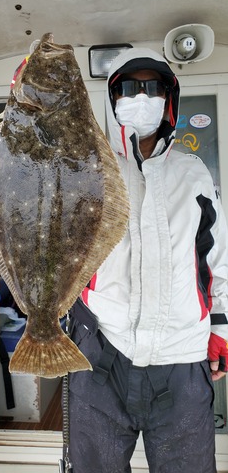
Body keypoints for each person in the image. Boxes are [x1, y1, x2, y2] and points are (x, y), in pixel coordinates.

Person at [67, 47, 228, 473]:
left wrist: (220, 329)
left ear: (169, 98)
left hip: (182, 359)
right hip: (103, 351)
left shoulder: (194, 172)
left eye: (153, 86)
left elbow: (215, 258)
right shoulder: (88, 170)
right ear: (112, 97)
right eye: (130, 87)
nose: (143, 96)